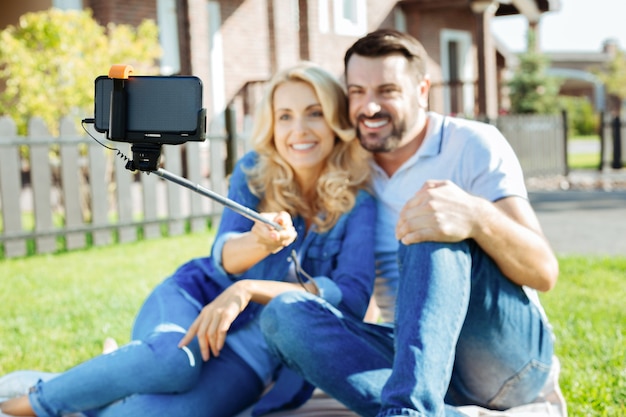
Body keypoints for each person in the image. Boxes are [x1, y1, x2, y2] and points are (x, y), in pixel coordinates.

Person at [0, 61, 376, 417]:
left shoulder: (359, 203)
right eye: (285, 116)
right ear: (272, 126)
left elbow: (352, 296)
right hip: (193, 300)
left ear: (336, 122)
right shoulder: (254, 173)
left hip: (255, 351)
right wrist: (260, 243)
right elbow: (221, 257)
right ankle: (40, 399)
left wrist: (250, 289)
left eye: (315, 113)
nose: (300, 130)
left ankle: (92, 377)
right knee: (172, 362)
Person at [260, 29, 559, 417]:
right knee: (285, 314)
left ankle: (409, 411)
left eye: (387, 91)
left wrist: (474, 216)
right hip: (417, 363)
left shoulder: (473, 144)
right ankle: (425, 407)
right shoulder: (349, 166)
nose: (369, 107)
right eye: (357, 92)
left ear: (422, 90)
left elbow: (544, 271)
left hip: (506, 362)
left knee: (430, 219)